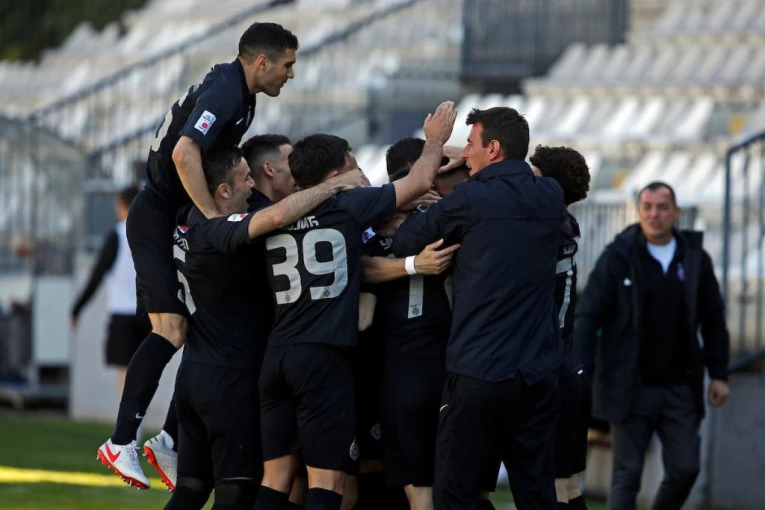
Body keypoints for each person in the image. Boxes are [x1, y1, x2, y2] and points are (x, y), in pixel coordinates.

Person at [98, 22, 299, 490]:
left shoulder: (239, 94)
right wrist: (211, 219)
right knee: (170, 327)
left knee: (204, 326)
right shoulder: (227, 90)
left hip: (175, 214)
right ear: (262, 62)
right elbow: (184, 153)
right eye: (288, 64)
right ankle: (122, 440)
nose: (291, 74)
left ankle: (169, 438)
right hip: (158, 215)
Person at [253, 101, 457, 510]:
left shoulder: (269, 216)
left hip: (276, 355)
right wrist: (435, 141)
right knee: (329, 486)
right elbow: (419, 180)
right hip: (322, 359)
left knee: (275, 482)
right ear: (337, 177)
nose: (361, 173)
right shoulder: (346, 206)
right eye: (354, 165)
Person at [163, 147, 367, 510]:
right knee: (236, 493)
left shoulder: (189, 222)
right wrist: (335, 187)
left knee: (191, 488)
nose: (252, 186)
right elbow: (275, 217)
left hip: (193, 375)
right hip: (232, 379)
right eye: (245, 179)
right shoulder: (237, 235)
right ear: (223, 190)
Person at [392, 107, 565, 510]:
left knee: (456, 493)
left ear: (493, 148)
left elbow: (406, 241)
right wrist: (469, 157)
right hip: (538, 372)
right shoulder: (549, 194)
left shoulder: (469, 198)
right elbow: (517, 175)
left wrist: (434, 161)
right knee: (538, 495)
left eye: (470, 145)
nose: (464, 153)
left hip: (478, 370)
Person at [575, 181, 730, 510]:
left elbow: (714, 318)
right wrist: (582, 369)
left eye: (662, 207)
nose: (654, 214)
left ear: (676, 212)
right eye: (647, 207)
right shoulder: (618, 256)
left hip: (680, 387)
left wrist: (719, 373)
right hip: (628, 387)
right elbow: (588, 315)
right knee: (626, 474)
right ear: (638, 211)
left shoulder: (695, 259)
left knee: (685, 468)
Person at [530, 146, 591, 510]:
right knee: (567, 486)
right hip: (569, 367)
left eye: (533, 176)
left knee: (553, 490)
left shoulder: (543, 231)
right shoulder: (568, 224)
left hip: (549, 371)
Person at [70, 185, 150, 399]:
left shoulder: (118, 235)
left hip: (122, 315)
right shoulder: (150, 233)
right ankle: (137, 418)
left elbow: (96, 276)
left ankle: (128, 420)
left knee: (125, 374)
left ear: (122, 206)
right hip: (147, 314)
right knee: (142, 374)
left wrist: (77, 309)